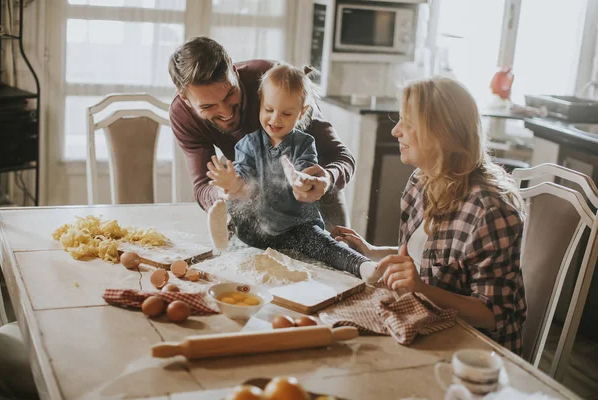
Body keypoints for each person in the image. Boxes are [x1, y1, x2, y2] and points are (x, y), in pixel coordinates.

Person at [331, 77, 527, 354]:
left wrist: (422, 290)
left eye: (408, 124)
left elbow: (493, 314)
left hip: (474, 354)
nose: (396, 131)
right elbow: (428, 260)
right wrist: (372, 251)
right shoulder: (421, 180)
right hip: (428, 322)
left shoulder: (491, 210)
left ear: (441, 133)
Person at [167, 37, 355, 231]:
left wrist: (327, 179)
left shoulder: (273, 79)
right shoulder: (182, 114)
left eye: (230, 94)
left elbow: (341, 156)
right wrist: (226, 191)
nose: (226, 112)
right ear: (185, 99)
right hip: (252, 197)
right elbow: (203, 187)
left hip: (314, 191)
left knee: (339, 252)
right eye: (208, 106)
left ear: (234, 71)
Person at [206, 62, 375, 278]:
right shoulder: (247, 145)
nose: (275, 119)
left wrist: (302, 181)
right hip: (256, 228)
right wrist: (234, 184)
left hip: (296, 228)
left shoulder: (303, 144)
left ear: (302, 112)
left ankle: (362, 265)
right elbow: (245, 181)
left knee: (324, 245)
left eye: (286, 114)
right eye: (269, 110)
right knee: (238, 226)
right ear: (261, 101)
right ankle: (222, 236)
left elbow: (307, 170)